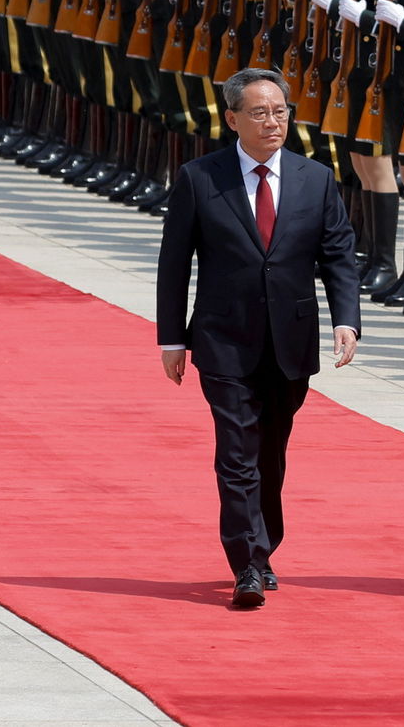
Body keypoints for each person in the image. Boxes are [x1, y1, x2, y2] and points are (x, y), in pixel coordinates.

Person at [156, 68, 362, 609]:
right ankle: (245, 560)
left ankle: (264, 545)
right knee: (236, 453)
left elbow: (338, 254)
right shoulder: (201, 179)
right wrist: (171, 339)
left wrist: (347, 318)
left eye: (280, 112)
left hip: (291, 340)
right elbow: (174, 264)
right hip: (223, 340)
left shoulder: (314, 179)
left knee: (271, 450)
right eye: (259, 113)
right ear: (232, 119)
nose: (273, 122)